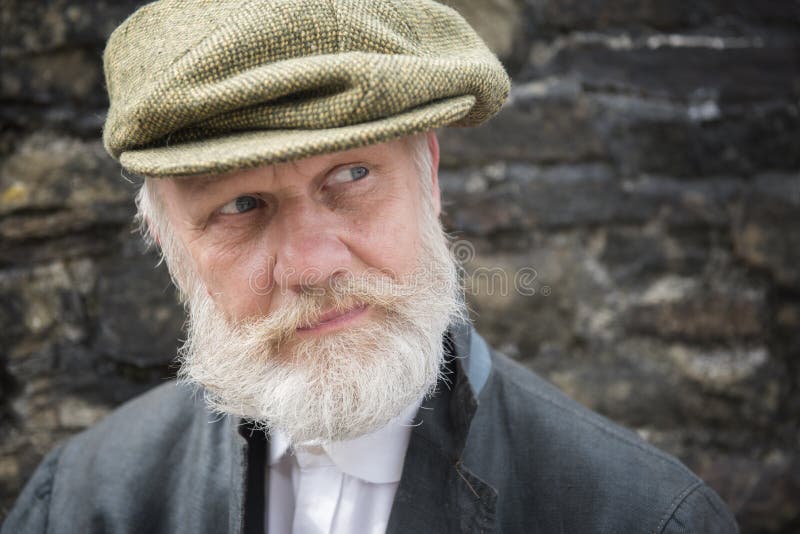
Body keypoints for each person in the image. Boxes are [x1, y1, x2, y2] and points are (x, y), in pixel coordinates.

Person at [2, 1, 738, 533]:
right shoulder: (81, 504)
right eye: (241, 205)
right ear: (166, 240)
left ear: (431, 177)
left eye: (351, 177)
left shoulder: (641, 517)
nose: (314, 265)